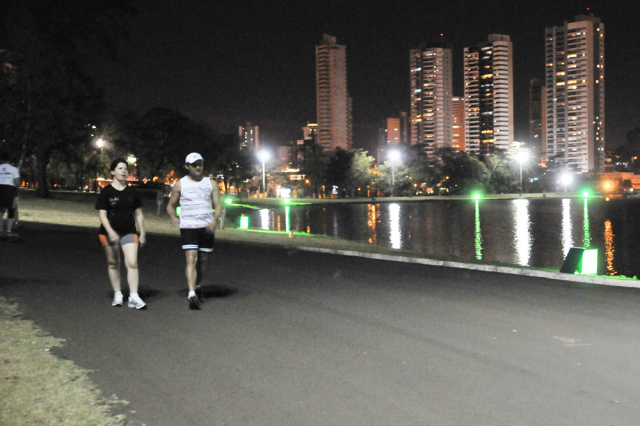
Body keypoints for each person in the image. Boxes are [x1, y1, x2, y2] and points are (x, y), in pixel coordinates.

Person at [166, 152, 222, 310]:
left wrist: (214, 220)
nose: (198, 167)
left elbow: (218, 205)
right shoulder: (180, 184)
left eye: (200, 164)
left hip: (206, 227)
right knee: (191, 258)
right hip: (188, 226)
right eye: (194, 164)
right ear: (187, 166)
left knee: (202, 260)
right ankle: (191, 293)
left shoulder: (211, 184)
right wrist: (172, 216)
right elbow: (170, 205)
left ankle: (197, 286)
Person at [95, 158, 147, 310]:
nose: (124, 171)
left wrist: (142, 233)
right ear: (113, 172)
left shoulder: (132, 192)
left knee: (132, 262)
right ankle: (118, 294)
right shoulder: (106, 192)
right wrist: (110, 232)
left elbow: (139, 214)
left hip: (129, 231)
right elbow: (102, 215)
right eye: (120, 168)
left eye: (125, 168)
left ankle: (133, 296)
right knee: (113, 263)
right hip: (108, 233)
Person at [0, 152, 21, 241]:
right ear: (9, 159)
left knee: (0, 211)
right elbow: (17, 183)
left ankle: (0, 231)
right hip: (10, 190)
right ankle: (8, 231)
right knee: (11, 210)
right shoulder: (14, 169)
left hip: (0, 189)